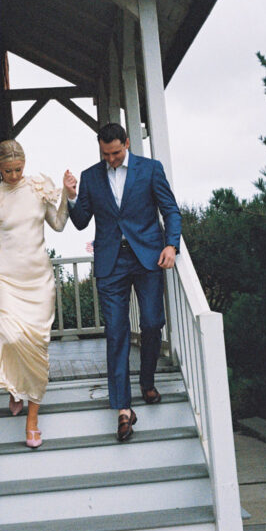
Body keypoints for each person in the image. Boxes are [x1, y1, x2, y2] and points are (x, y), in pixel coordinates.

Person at [64, 123, 182, 441]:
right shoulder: (91, 177)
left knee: (152, 323)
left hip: (148, 257)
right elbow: (81, 222)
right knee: (116, 333)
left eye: (116, 152)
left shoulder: (151, 169)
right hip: (110, 263)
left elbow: (171, 211)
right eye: (106, 154)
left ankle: (147, 380)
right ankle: (123, 410)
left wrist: (171, 245)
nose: (111, 159)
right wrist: (72, 196)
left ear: (127, 143)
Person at [0, 140, 75, 448]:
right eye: (8, 171)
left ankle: (32, 421)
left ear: (24, 164)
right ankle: (15, 387)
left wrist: (67, 196)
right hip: (7, 280)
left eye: (18, 169)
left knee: (37, 347)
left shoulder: (39, 189)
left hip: (39, 280)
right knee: (12, 339)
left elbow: (58, 224)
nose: (14, 176)